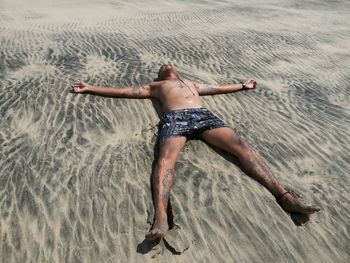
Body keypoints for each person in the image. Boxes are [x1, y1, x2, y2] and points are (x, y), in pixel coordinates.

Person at [72, 63, 320, 240]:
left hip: (205, 117)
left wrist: (242, 85)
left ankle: (285, 197)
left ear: (177, 70)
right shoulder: (157, 85)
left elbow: (217, 88)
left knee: (243, 147)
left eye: (168, 63)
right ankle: (160, 218)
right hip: (176, 119)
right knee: (165, 160)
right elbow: (127, 92)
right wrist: (91, 87)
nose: (165, 64)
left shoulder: (191, 84)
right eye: (162, 66)